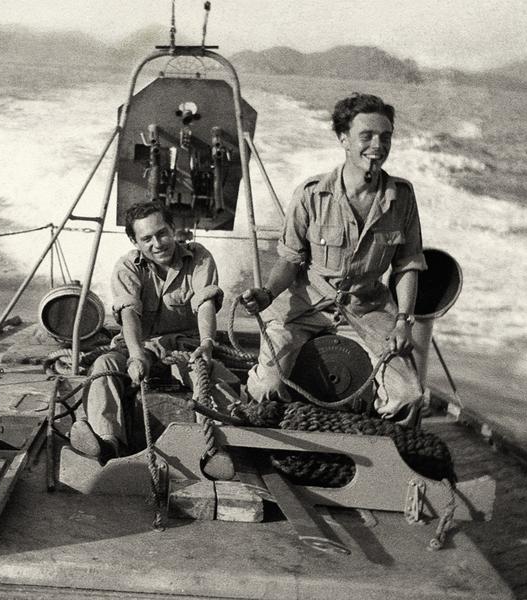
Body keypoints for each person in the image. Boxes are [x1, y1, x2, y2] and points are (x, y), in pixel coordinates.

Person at [240, 93, 426, 423]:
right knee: (266, 387)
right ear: (343, 139)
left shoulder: (402, 198)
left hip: (368, 310)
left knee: (408, 396)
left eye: (385, 137)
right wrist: (267, 293)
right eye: (367, 136)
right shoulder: (311, 194)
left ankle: (380, 446)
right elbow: (290, 260)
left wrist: (403, 321)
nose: (377, 146)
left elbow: (407, 264)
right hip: (305, 306)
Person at [69, 202, 226, 463]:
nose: (158, 243)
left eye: (162, 233)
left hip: (183, 347)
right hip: (138, 347)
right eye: (147, 238)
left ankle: (213, 451)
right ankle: (108, 444)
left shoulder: (199, 257)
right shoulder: (128, 266)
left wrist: (207, 343)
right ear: (135, 242)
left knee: (208, 375)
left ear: (173, 229)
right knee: (104, 365)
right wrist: (135, 355)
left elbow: (205, 303)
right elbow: (129, 313)